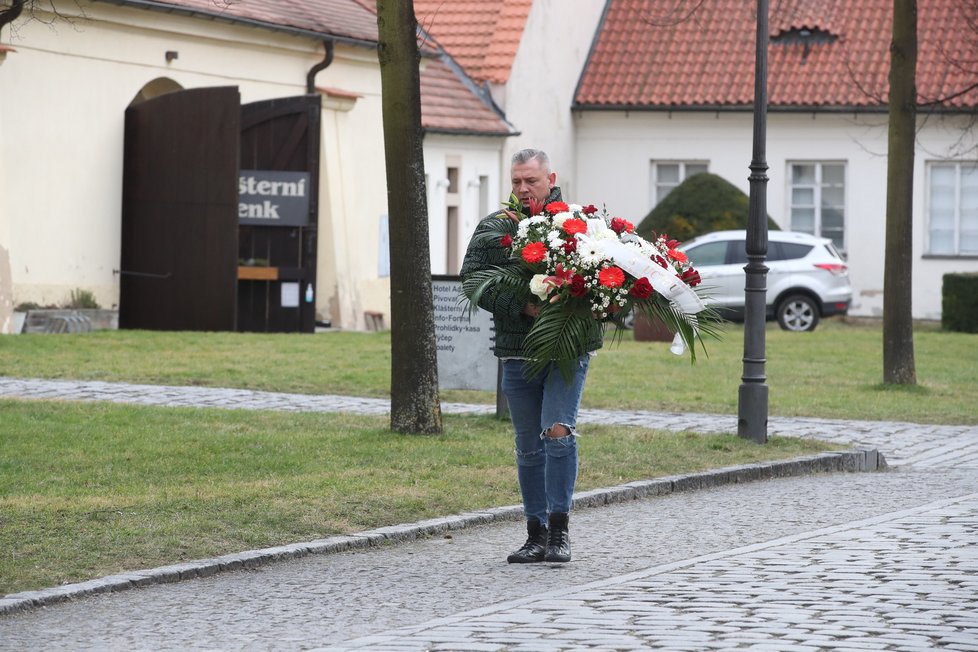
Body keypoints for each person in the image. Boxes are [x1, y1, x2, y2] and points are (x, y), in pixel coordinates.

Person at [460, 149, 603, 563]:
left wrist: (589, 302)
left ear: (550, 177)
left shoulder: (579, 226)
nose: (523, 189)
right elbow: (474, 281)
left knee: (557, 432)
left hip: (566, 349)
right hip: (517, 349)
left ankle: (560, 532)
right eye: (517, 181)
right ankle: (534, 533)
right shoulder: (494, 229)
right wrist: (523, 305)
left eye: (531, 181)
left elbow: (605, 276)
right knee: (527, 446)